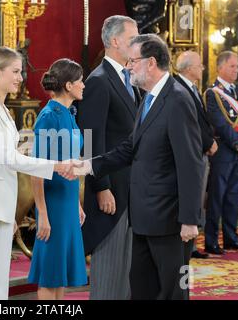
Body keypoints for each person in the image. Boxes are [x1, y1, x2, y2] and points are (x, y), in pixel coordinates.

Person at [75, 34, 204, 300]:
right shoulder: (147, 98)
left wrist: (190, 219)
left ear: (151, 63)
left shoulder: (178, 99)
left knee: (172, 291)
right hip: (143, 217)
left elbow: (191, 163)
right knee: (142, 289)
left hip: (170, 220)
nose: (130, 66)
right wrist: (87, 166)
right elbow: (129, 148)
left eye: (134, 61)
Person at [0, 46, 77, 300]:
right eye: (16, 71)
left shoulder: (3, 111)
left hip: (0, 202)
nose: (21, 77)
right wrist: (52, 165)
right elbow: (6, 157)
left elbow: (10, 154)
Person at [77, 15, 141, 300]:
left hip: (132, 188)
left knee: (127, 271)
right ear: (115, 42)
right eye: (132, 39)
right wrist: (101, 187)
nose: (138, 44)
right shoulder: (99, 81)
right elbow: (91, 139)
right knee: (109, 271)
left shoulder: (129, 79)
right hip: (111, 190)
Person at [28, 59, 88, 300]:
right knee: (50, 273)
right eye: (81, 81)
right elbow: (36, 169)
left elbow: (73, 162)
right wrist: (42, 213)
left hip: (68, 201)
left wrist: (76, 204)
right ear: (69, 84)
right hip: (52, 204)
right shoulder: (48, 117)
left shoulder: (69, 114)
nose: (84, 85)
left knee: (60, 272)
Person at [204, 51, 238, 254]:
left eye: (237, 66)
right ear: (221, 67)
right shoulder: (213, 93)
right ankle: (211, 241)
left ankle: (231, 238)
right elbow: (219, 123)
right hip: (224, 152)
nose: (237, 69)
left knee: (233, 196)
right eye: (233, 66)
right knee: (217, 196)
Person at [175, 50, 218, 260]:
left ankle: (191, 245)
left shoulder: (191, 88)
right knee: (193, 196)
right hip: (193, 152)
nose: (202, 68)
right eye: (199, 65)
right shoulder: (179, 88)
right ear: (189, 68)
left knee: (199, 199)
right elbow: (191, 123)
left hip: (200, 151)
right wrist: (209, 142)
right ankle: (187, 245)